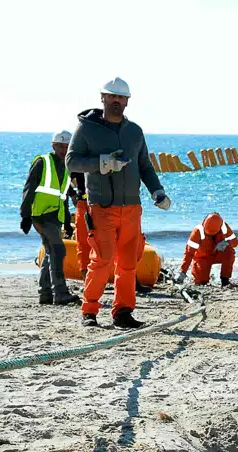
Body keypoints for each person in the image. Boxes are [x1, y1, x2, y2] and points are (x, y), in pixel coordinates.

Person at [67, 77, 172, 329]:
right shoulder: (86, 129)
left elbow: (145, 166)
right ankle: (89, 311)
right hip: (102, 208)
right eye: (112, 96)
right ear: (102, 98)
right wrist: (103, 163)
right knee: (102, 260)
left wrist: (157, 191)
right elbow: (72, 162)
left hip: (132, 208)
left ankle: (123, 313)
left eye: (121, 97)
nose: (116, 100)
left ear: (127, 101)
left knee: (128, 263)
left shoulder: (135, 131)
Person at [19, 130, 79, 306]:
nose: (63, 149)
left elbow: (64, 193)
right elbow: (29, 188)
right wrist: (25, 216)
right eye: (60, 146)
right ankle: (60, 293)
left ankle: (45, 294)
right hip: (42, 214)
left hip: (56, 215)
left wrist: (68, 222)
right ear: (53, 146)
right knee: (58, 251)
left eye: (67, 147)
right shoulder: (42, 162)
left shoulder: (67, 166)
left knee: (50, 252)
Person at [176, 212, 237, 287]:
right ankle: (202, 277)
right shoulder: (197, 231)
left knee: (229, 252)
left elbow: (235, 242)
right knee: (201, 282)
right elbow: (189, 253)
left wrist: (226, 242)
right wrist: (182, 272)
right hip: (202, 258)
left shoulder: (224, 226)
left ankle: (225, 280)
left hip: (217, 254)